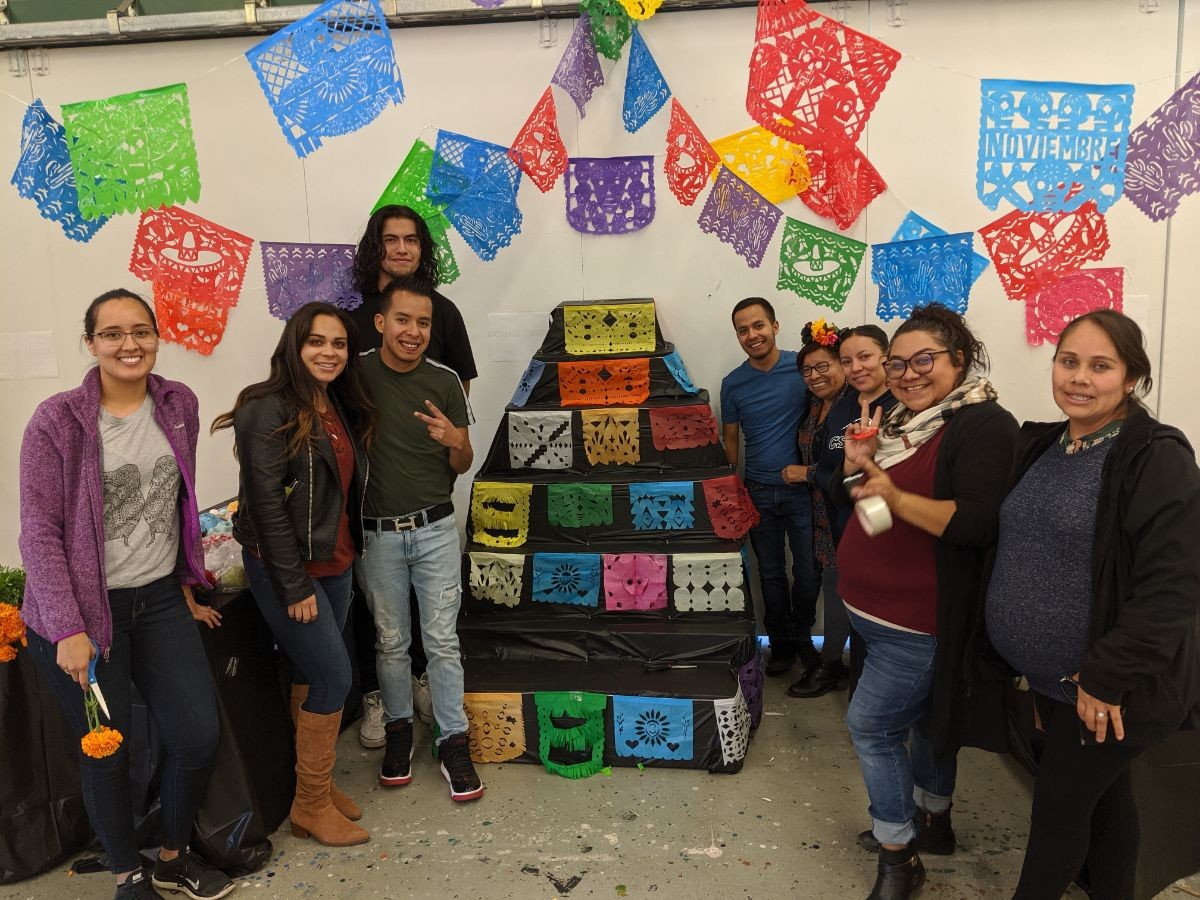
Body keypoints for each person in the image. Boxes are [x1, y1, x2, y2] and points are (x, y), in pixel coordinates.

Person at [18, 289, 233, 900]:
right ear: (91, 344)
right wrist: (66, 627)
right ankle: (127, 875)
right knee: (107, 752)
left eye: (141, 331)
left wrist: (189, 582)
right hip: (84, 612)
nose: (128, 344)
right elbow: (39, 532)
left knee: (196, 736)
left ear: (158, 337)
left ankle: (170, 856)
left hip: (159, 599)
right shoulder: (57, 421)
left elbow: (178, 503)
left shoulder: (178, 403)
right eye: (112, 334)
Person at [984, 310, 1200, 900]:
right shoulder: (1045, 444)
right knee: (1105, 808)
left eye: (1100, 366)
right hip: (1054, 684)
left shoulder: (1156, 456)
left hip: (1106, 689)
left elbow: (1173, 585)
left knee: (1056, 816)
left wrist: (1106, 677)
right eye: (1068, 360)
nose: (1079, 377)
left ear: (1131, 377)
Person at [836, 303, 1018, 900]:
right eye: (898, 364)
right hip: (874, 615)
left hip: (918, 624)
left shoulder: (982, 424)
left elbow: (976, 524)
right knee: (921, 720)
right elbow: (881, 523)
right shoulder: (901, 425)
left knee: (871, 727)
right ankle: (934, 821)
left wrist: (888, 490)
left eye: (924, 361)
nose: (909, 375)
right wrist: (863, 478)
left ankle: (900, 856)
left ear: (958, 360)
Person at [213, 302, 377, 848]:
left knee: (313, 674)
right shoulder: (266, 407)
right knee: (335, 678)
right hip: (292, 570)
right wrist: (293, 583)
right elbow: (264, 504)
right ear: (293, 345)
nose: (329, 353)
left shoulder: (330, 401)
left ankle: (317, 787)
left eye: (338, 344)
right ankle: (308, 806)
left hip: (335, 562)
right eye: (317, 342)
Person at [348, 205, 474, 749]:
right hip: (374, 519)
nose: (401, 248)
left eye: (411, 240)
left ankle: (445, 724)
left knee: (439, 635)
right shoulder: (352, 350)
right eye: (389, 240)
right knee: (387, 632)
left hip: (433, 511)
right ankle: (390, 711)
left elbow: (459, 422)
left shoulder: (442, 325)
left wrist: (453, 441)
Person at [790, 324, 897, 699]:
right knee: (850, 600)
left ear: (887, 357)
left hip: (889, 533)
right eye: (849, 360)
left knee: (880, 613)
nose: (856, 368)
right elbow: (840, 476)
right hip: (844, 523)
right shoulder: (844, 409)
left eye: (863, 358)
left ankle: (862, 687)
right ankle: (852, 682)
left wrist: (826, 476)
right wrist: (838, 479)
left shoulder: (904, 405)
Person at [720, 297, 819, 678]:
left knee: (809, 572)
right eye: (743, 330)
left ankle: (802, 637)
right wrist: (729, 491)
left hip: (803, 489)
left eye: (758, 325)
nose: (752, 335)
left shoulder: (802, 369)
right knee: (771, 574)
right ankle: (779, 644)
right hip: (757, 491)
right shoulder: (733, 383)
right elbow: (731, 441)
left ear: (775, 327)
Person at [782, 320, 852, 699]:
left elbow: (852, 467)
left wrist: (806, 472)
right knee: (832, 583)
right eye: (807, 370)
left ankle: (832, 665)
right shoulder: (815, 405)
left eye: (824, 366)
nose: (815, 375)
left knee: (843, 585)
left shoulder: (856, 405)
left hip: (848, 511)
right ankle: (833, 661)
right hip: (821, 511)